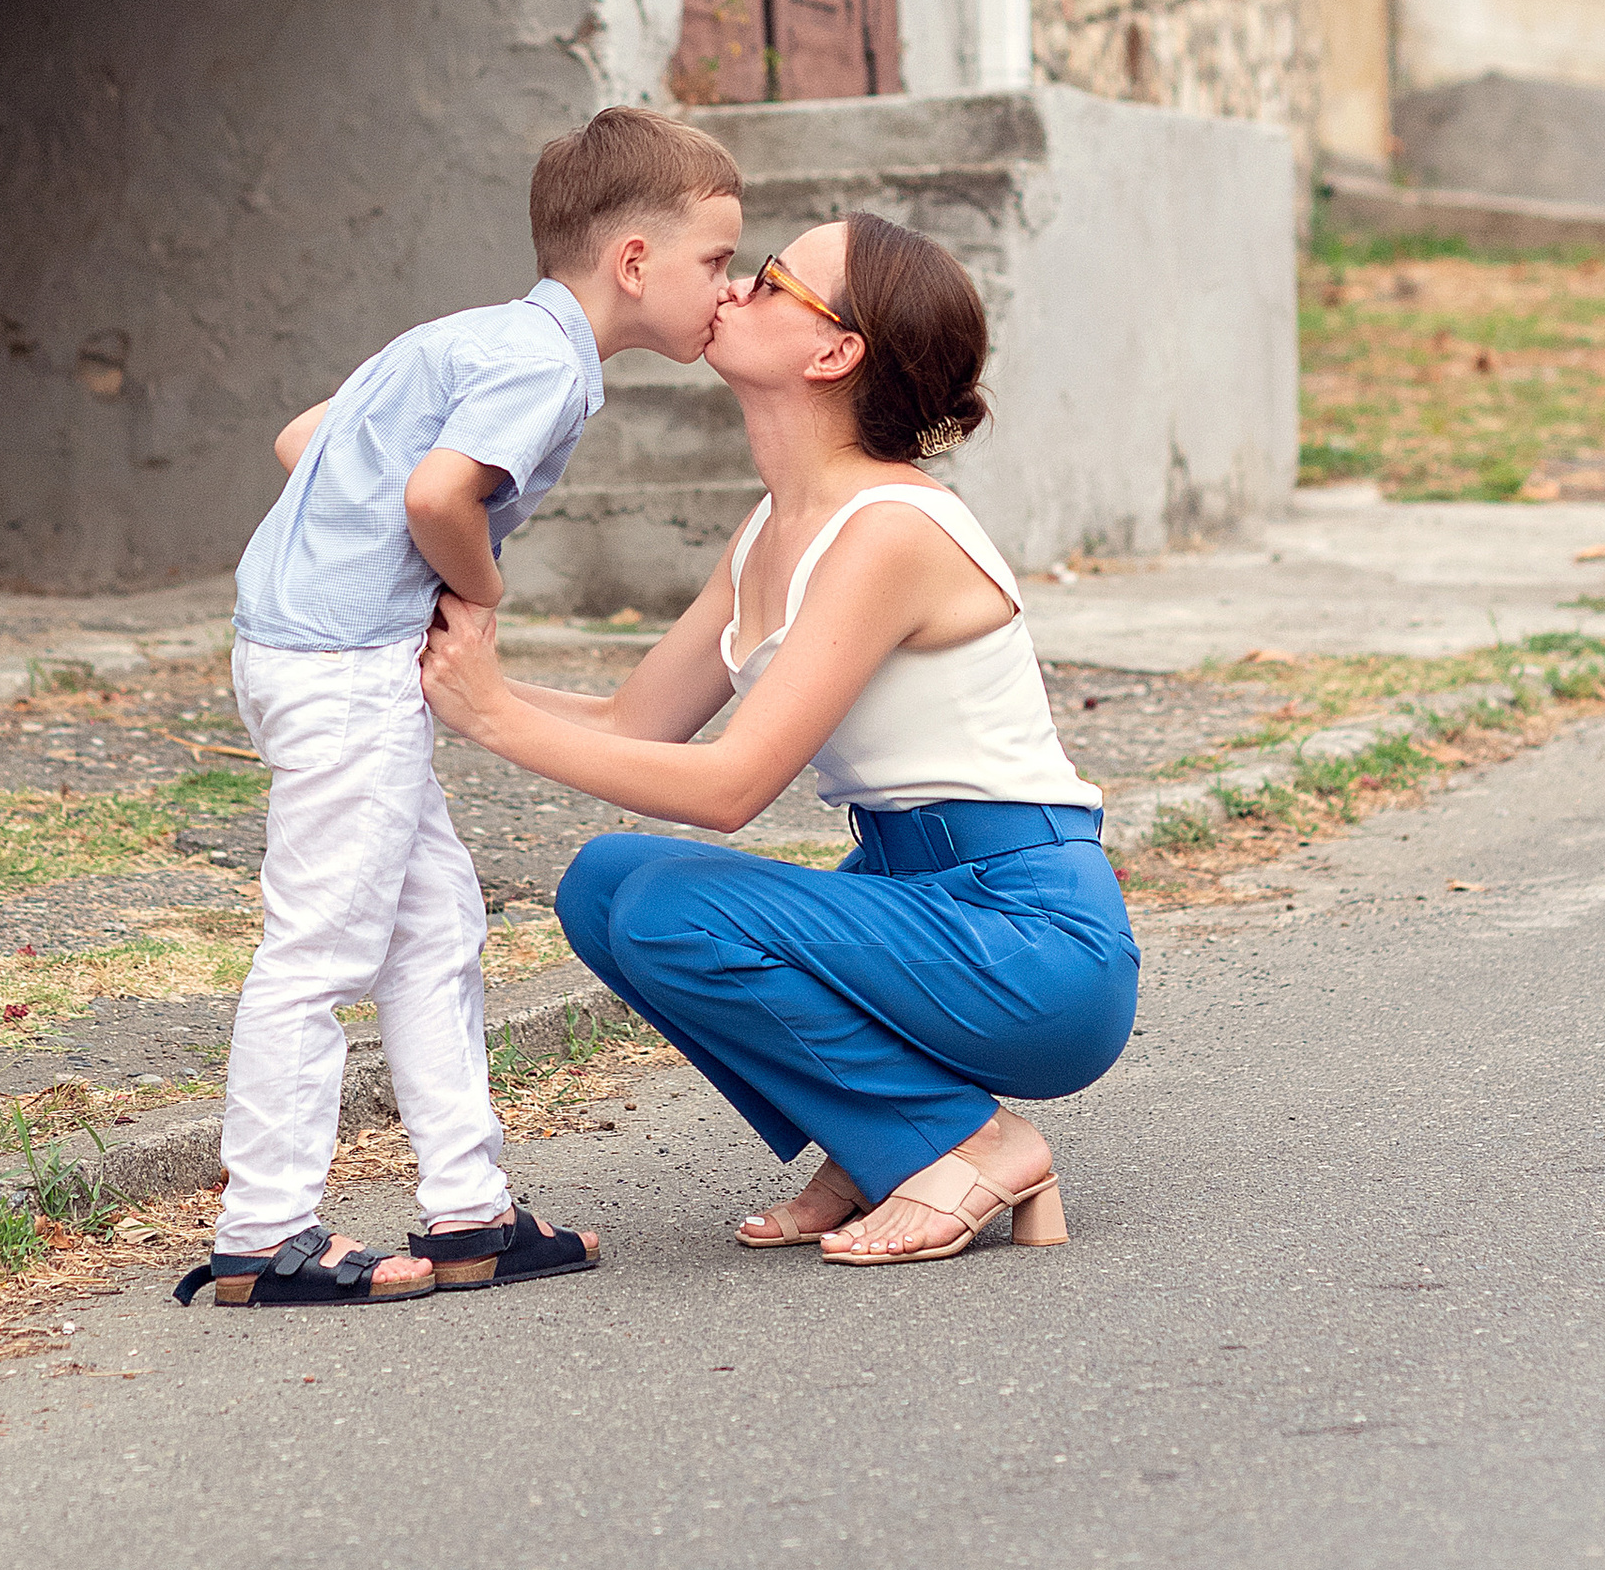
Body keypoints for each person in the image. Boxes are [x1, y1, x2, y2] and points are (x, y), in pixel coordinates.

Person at [419, 210, 1138, 1268]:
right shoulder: (773, 525)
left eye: (768, 280)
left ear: (834, 349)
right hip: (919, 905)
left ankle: (967, 1142)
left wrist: (493, 713)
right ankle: (880, 1137)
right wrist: (457, 683)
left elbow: (726, 786)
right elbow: (634, 724)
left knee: (670, 905)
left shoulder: (890, 528)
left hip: (1031, 943)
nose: (731, 291)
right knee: (605, 882)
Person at [173, 106, 747, 1310]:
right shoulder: (543, 365)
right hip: (340, 669)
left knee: (433, 924)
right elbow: (440, 493)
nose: (728, 289)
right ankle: (261, 1233)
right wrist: (474, 590)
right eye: (718, 261)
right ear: (633, 262)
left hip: (302, 652)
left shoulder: (472, 336)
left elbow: (303, 441)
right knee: (321, 944)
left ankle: (469, 1212)